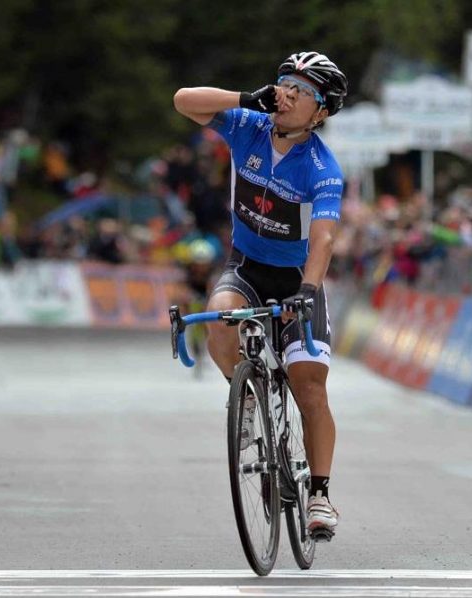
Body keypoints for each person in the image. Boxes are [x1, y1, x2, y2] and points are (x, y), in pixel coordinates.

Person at [173, 51, 347, 539]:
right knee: (218, 318)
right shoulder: (249, 125)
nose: (288, 92)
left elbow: (325, 239)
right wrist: (248, 98)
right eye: (285, 81)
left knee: (310, 385)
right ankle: (247, 392)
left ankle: (320, 494)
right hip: (245, 267)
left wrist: (309, 291)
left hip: (296, 279)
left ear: (321, 112)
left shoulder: (321, 166)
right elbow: (184, 100)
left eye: (303, 89)